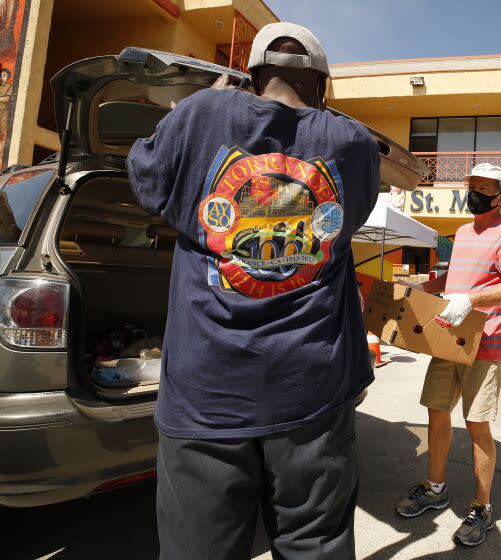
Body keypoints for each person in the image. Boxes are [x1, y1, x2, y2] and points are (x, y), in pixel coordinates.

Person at [126, 22, 380, 560]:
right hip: (312, 386)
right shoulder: (352, 142)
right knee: (317, 544)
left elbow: (145, 177)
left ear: (252, 75)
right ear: (323, 87)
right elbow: (347, 214)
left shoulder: (200, 116)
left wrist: (191, 111)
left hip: (206, 392)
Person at [395, 163, 501, 547]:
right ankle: (435, 488)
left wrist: (470, 300)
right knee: (437, 412)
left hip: (485, 343)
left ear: (500, 195)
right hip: (448, 340)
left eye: (484, 189)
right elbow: (452, 280)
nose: (475, 194)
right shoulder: (464, 232)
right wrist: (417, 284)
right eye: (472, 187)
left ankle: (481, 508)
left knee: (476, 425)